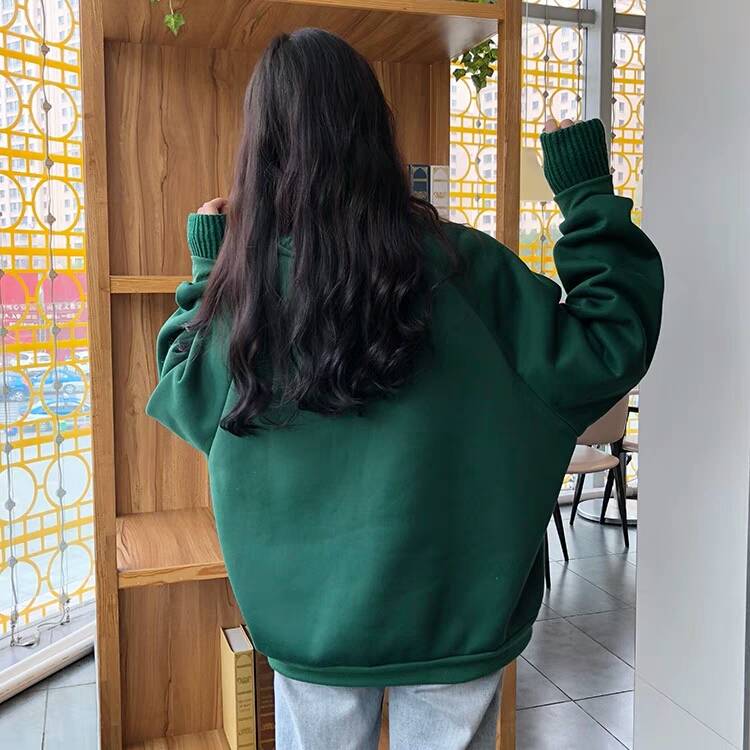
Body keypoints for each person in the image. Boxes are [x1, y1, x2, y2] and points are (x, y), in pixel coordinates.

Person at [146, 27, 663, 750]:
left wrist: (211, 267)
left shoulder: (250, 299)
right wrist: (583, 192)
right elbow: (610, 342)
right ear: (374, 131)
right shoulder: (467, 269)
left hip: (308, 627)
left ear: (260, 151)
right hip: (456, 616)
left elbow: (185, 392)